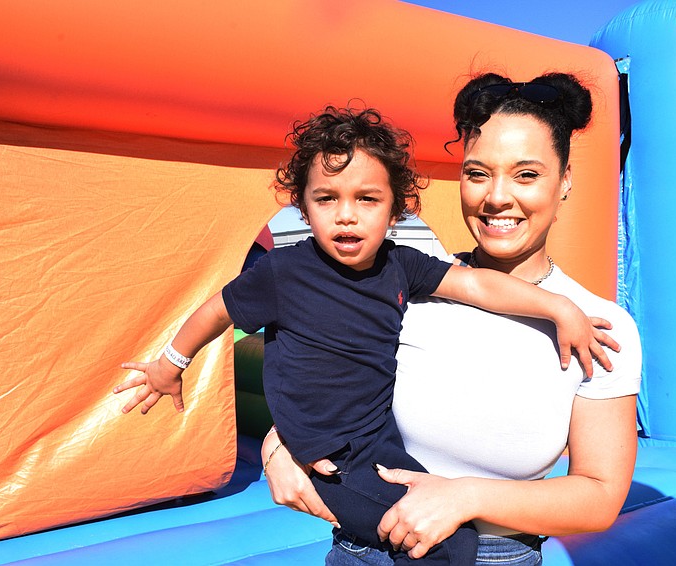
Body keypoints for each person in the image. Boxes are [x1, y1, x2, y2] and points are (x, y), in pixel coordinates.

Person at [113, 105, 619, 566]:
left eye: (367, 199)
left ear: (395, 209)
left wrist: (557, 307)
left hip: (381, 452)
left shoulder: (403, 268)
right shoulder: (285, 273)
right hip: (337, 460)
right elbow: (216, 311)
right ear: (303, 208)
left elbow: (475, 284)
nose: (347, 215)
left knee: (448, 539)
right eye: (326, 199)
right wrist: (173, 367)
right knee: (445, 545)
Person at [262, 73, 642, 565]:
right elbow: (319, 377)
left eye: (526, 175)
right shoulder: (401, 286)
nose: (497, 197)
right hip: (364, 547)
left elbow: (599, 495)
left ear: (565, 179)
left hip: (492, 554)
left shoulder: (598, 326)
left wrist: (465, 497)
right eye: (478, 173)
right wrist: (279, 444)